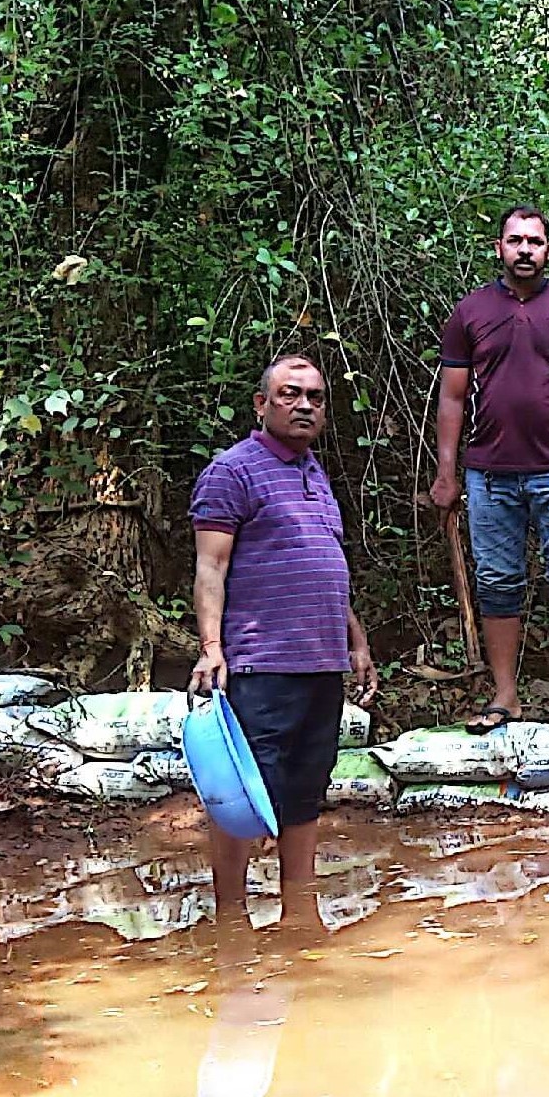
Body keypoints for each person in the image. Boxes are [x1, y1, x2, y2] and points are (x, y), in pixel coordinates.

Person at [190, 355, 380, 932]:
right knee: (240, 794)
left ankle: (302, 911)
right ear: (262, 404)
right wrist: (211, 647)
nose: (304, 406)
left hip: (321, 662)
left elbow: (327, 564)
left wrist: (356, 640)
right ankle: (230, 915)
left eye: (315, 397)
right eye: (290, 394)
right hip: (260, 661)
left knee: (305, 788)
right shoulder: (232, 472)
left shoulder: (315, 473)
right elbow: (210, 567)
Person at [428, 206, 549, 733]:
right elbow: (451, 399)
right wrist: (446, 472)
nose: (524, 250)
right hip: (489, 472)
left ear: (548, 251)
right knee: (497, 580)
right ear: (499, 248)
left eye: (534, 242)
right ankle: (505, 696)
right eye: (514, 240)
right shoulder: (470, 312)